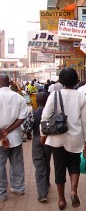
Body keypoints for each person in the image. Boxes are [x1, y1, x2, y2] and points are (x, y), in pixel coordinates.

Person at [40, 68, 86, 210]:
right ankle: (73, 190)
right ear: (76, 80)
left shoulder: (54, 95)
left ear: (61, 80)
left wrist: (42, 134)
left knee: (59, 169)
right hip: (75, 139)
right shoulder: (81, 97)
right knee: (74, 166)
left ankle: (61, 200)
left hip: (57, 139)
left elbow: (45, 116)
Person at [0, 73, 28, 201]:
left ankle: (1, 192)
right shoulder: (18, 97)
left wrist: (2, 134)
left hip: (1, 138)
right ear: (9, 82)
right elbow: (22, 117)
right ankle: (18, 188)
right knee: (17, 163)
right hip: (15, 136)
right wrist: (8, 131)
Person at [23, 92, 52, 203]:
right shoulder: (51, 113)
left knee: (39, 165)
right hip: (48, 140)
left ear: (36, 101)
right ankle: (47, 182)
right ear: (48, 100)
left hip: (36, 139)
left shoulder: (33, 113)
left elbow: (26, 128)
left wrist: (29, 134)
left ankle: (42, 193)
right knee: (46, 161)